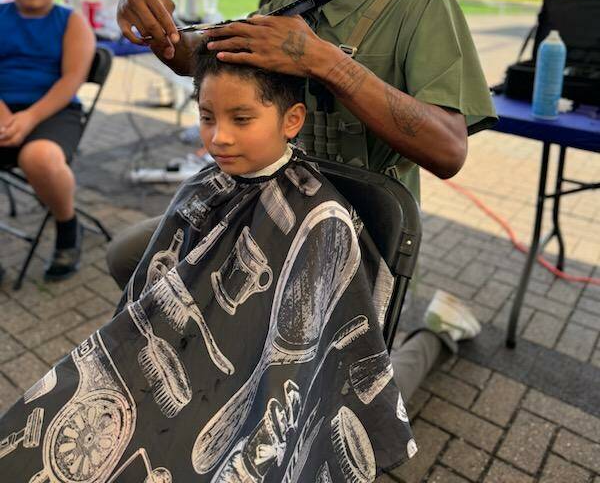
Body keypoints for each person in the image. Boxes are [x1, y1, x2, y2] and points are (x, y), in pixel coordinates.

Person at [112, 0, 496, 395]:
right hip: (270, 214)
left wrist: (324, 61)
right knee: (129, 257)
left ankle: (434, 337)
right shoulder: (283, 7)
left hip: (357, 237)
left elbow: (448, 149)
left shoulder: (420, 8)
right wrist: (149, 17)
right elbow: (195, 55)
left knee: (351, 404)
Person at [0, 50, 418, 481]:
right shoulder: (206, 185)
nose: (218, 138)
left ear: (292, 121)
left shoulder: (321, 217)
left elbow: (308, 356)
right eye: (207, 117)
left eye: (241, 120)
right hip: (193, 359)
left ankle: (433, 336)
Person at [0, 0, 96, 281]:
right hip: (2, 110)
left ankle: (68, 228)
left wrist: (28, 118)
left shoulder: (71, 22)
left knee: (39, 158)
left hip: (55, 111)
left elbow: (71, 81)